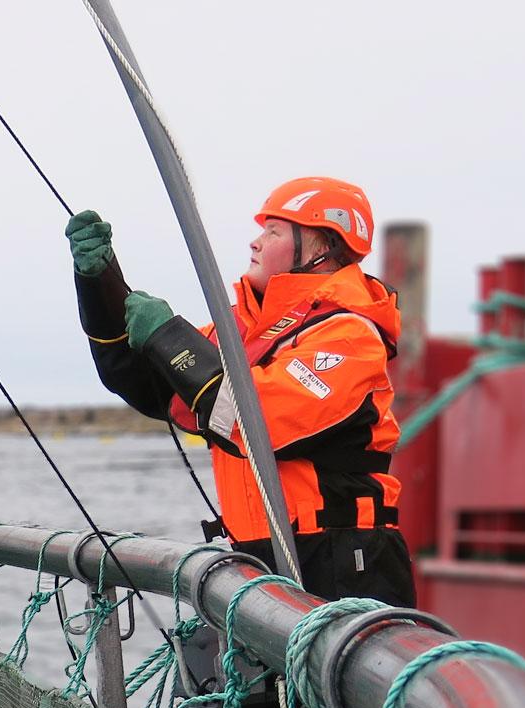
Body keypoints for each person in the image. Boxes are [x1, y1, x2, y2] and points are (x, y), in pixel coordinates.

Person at [65, 177, 416, 607]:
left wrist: (169, 336)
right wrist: (101, 284)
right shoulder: (246, 331)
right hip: (258, 564)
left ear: (320, 247)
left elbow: (256, 420)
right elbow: (147, 382)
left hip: (342, 566)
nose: (255, 242)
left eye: (273, 231)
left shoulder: (349, 334)